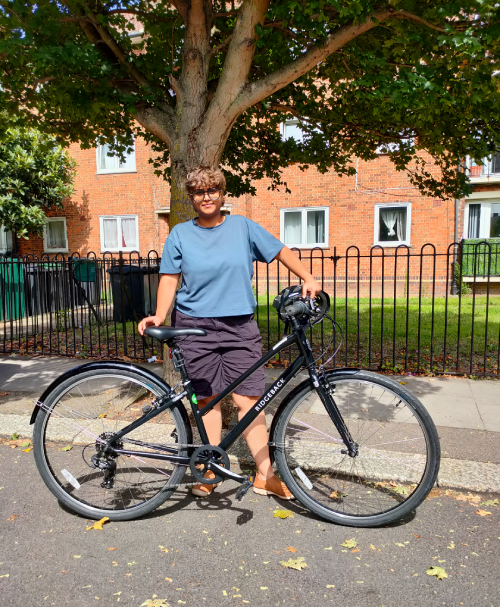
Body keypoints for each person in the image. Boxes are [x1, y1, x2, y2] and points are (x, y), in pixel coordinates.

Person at [138, 166, 321, 499]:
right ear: (191, 198)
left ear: (222, 193)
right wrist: (160, 315)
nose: (206, 197)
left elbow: (280, 251)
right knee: (208, 401)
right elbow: (169, 277)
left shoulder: (242, 227)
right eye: (198, 192)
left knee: (249, 400)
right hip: (194, 326)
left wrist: (308, 277)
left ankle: (265, 475)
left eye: (212, 190)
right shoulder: (180, 234)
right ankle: (211, 469)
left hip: (239, 325)